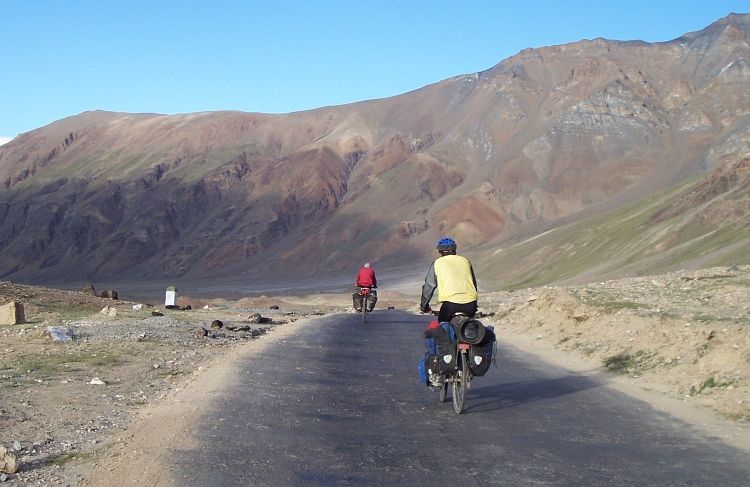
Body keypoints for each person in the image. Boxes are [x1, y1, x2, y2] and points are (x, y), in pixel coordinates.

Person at [420, 237, 478, 323]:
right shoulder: (465, 261)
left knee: (443, 328)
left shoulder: (438, 263)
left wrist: (424, 306)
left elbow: (429, 287)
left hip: (450, 305)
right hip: (470, 305)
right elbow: (473, 284)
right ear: (454, 251)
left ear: (440, 253)